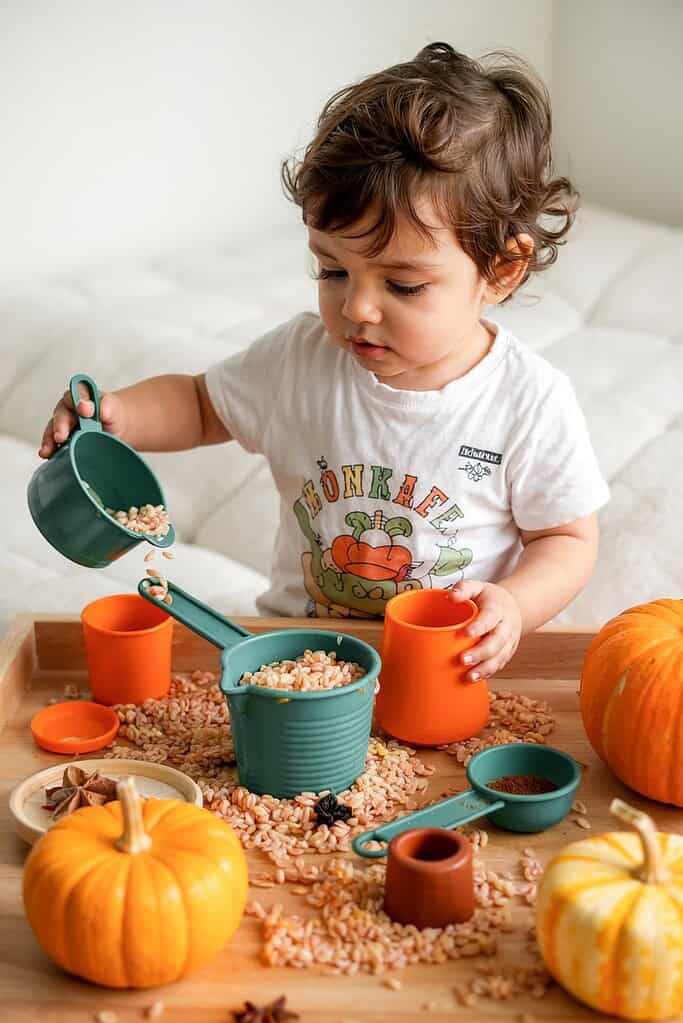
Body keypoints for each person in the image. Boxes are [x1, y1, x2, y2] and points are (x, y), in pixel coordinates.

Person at [38, 42, 609, 683]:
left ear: (500, 269)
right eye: (333, 269)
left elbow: (566, 540)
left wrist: (515, 604)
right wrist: (115, 415)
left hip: (443, 670)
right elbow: (201, 405)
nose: (357, 307)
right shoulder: (299, 359)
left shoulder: (528, 401)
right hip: (298, 656)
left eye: (403, 285)